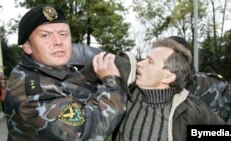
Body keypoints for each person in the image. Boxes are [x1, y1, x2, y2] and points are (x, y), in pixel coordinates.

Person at [3, 3, 136, 141]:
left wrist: (88, 76)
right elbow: (86, 131)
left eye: (63, 34)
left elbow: (69, 89)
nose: (58, 41)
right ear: (27, 46)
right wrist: (113, 82)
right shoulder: (31, 93)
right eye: (45, 35)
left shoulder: (49, 71)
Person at [112, 37, 225, 141]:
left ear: (168, 77)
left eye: (150, 61)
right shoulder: (124, 94)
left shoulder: (194, 109)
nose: (140, 64)